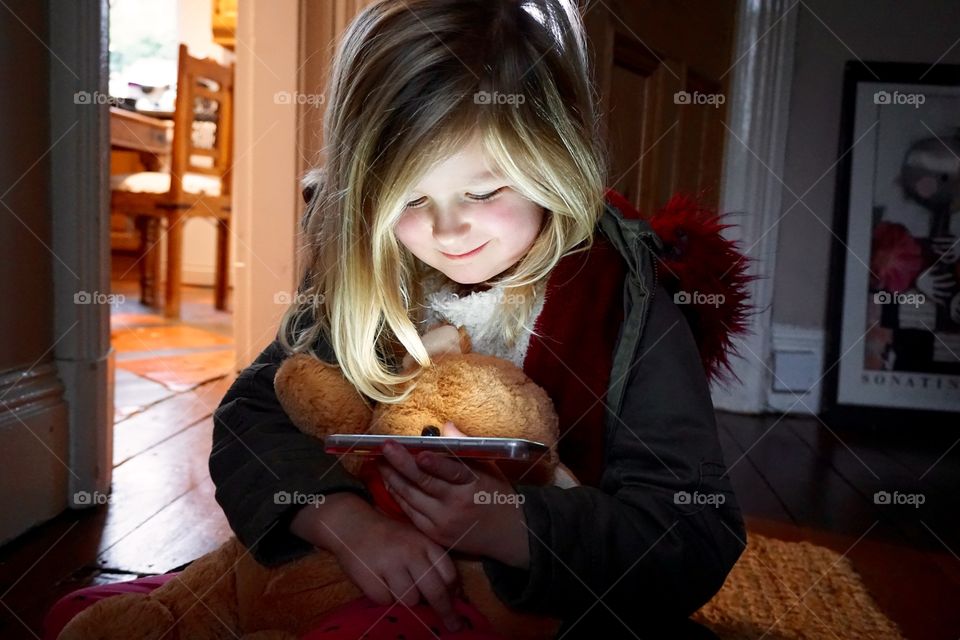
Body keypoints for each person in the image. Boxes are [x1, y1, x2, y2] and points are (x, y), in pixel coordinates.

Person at [44, 1, 745, 638]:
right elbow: (251, 418)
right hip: (356, 568)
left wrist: (513, 528)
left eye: (483, 189)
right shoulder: (367, 272)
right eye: (408, 198)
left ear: (556, 158)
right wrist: (342, 522)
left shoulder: (629, 302)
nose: (447, 230)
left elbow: (694, 531)